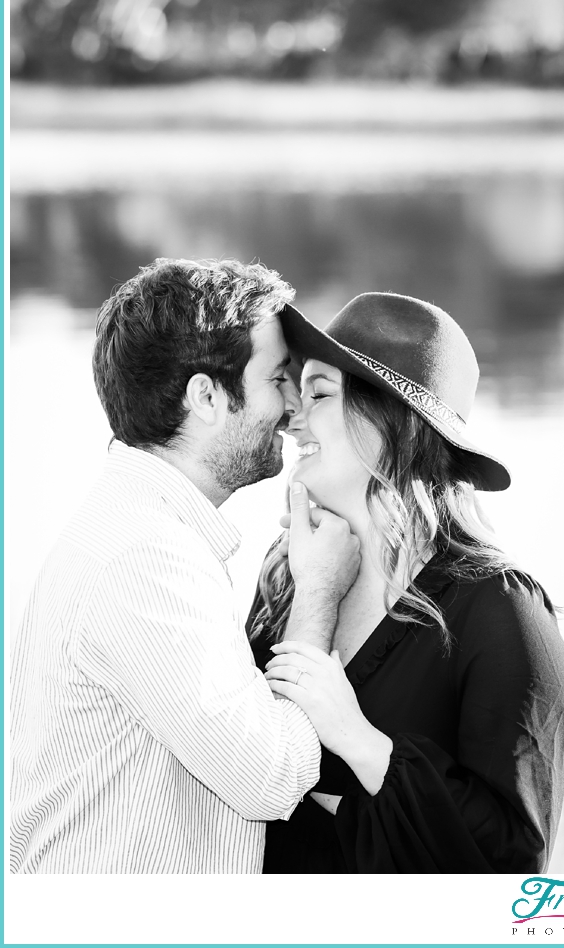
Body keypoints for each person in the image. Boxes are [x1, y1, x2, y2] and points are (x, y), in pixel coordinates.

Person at [9, 258, 359, 873]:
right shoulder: (144, 559)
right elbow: (270, 778)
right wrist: (318, 591)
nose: (290, 405)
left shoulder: (134, 529)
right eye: (277, 378)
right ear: (206, 397)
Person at [246, 292, 564, 873]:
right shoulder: (286, 578)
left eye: (319, 392)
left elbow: (513, 856)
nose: (291, 415)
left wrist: (358, 739)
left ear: (392, 421)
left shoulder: (498, 610)